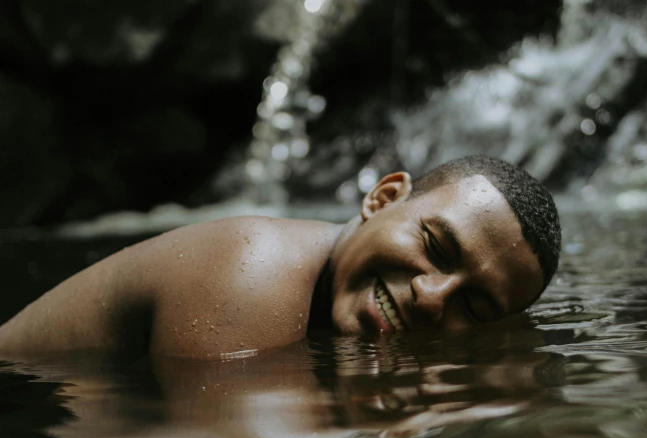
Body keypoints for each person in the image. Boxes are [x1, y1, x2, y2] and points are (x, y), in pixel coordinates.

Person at [0, 155, 561, 359]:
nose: (433, 297)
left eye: (477, 308)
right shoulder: (250, 269)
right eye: (435, 247)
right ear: (383, 197)